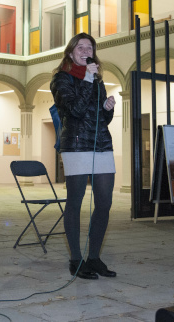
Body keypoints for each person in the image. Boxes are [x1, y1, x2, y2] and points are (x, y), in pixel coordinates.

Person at [50, 33, 117, 280]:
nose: (86, 49)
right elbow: (74, 111)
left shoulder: (96, 79)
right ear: (70, 52)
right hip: (76, 145)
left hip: (101, 144)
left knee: (104, 203)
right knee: (75, 202)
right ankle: (76, 260)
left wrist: (108, 109)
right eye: (81, 46)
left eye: (90, 46)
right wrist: (88, 78)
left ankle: (95, 258)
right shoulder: (61, 79)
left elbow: (101, 117)